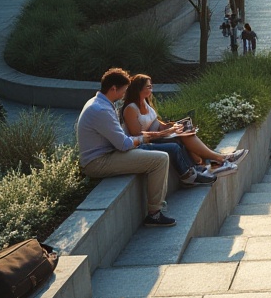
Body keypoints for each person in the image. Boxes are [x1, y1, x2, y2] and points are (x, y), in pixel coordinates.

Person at [78, 69, 214, 229]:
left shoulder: (101, 103)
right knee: (160, 159)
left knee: (166, 147)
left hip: (109, 153)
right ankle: (154, 214)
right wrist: (146, 138)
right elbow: (124, 144)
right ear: (113, 88)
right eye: (123, 90)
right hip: (98, 162)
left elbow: (122, 140)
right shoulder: (100, 110)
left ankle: (194, 170)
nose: (124, 94)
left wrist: (153, 135)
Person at [121, 74, 247, 177]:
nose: (151, 89)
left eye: (151, 86)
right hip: (147, 142)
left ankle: (211, 163)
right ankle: (220, 159)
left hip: (158, 135)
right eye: (148, 87)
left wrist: (175, 125)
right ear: (139, 89)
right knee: (182, 138)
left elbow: (156, 122)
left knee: (186, 131)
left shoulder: (145, 102)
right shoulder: (131, 109)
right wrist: (166, 132)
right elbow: (137, 135)